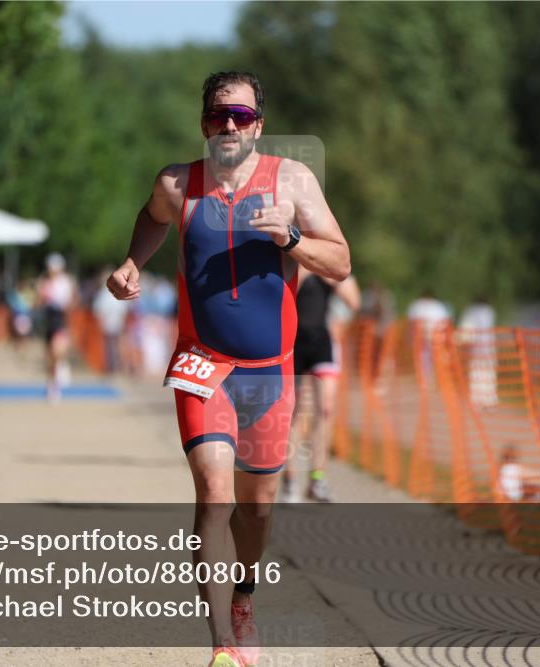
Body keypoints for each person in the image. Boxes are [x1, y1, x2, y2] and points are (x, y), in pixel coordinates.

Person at [106, 71, 350, 667]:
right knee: (214, 495)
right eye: (219, 115)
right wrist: (132, 263)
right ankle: (222, 646)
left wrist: (291, 238)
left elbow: (340, 263)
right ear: (204, 123)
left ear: (259, 124)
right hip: (201, 362)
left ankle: (244, 596)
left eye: (241, 116)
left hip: (271, 372)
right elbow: (151, 217)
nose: (230, 126)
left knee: (257, 508)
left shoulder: (292, 181)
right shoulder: (176, 183)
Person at [283, 266, 360, 503]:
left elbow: (354, 301)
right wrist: (300, 273)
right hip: (291, 343)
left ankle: (317, 478)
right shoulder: (289, 263)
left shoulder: (327, 264)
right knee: (292, 412)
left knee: (325, 408)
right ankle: (290, 479)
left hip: (321, 343)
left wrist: (331, 277)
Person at [38, 253, 75, 399]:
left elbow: (70, 303)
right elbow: (39, 302)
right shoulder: (45, 282)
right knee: (49, 357)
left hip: (60, 320)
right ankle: (51, 383)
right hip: (48, 321)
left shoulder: (65, 282)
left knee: (57, 351)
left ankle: (60, 373)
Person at [458, 295, 498, 410]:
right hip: (489, 348)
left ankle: (477, 401)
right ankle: (489, 401)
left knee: (476, 375)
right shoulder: (490, 312)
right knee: (489, 375)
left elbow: (465, 331)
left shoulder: (470, 311)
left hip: (476, 348)